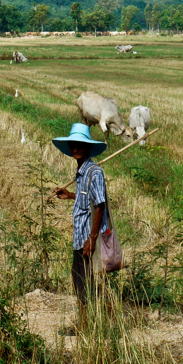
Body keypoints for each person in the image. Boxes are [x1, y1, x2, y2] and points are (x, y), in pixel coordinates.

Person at [52, 123, 109, 327]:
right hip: (79, 239)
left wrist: (92, 239)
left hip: (87, 240)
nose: (76, 148)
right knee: (79, 282)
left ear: (88, 148)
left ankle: (88, 327)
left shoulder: (94, 172)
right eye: (73, 145)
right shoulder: (81, 173)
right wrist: (71, 196)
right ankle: (86, 324)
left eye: (80, 145)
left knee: (86, 284)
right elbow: (88, 199)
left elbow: (100, 205)